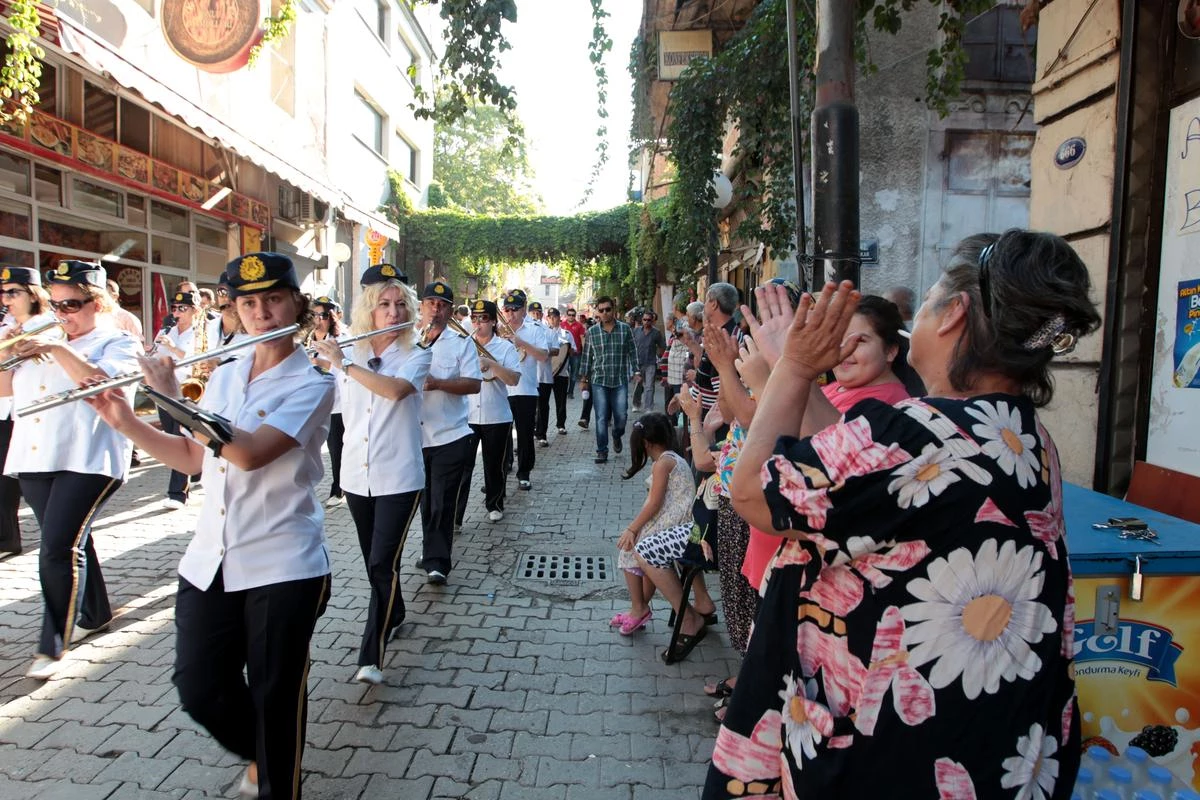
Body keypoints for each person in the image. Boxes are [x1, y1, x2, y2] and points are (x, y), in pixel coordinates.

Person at [705, 230, 1099, 798]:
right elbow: (853, 469)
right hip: (995, 744)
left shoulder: (920, 431)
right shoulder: (1022, 435)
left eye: (934, 290)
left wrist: (793, 368)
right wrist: (781, 359)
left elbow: (750, 493)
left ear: (954, 315)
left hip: (899, 749)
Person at [88, 252, 335, 799]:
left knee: (275, 695)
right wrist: (127, 420)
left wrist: (172, 399)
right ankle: (264, 753)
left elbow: (246, 454)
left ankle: (277, 780)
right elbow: (196, 457)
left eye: (273, 299)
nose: (262, 313)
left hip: (282, 562)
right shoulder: (223, 373)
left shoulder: (313, 384)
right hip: (211, 558)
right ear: (235, 310)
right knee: (199, 688)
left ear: (295, 304)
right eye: (248, 303)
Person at [1, 260, 141, 679]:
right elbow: (5, 391)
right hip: (35, 456)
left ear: (98, 303)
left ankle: (53, 645)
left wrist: (59, 350)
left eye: (73, 305)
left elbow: (107, 386)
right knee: (71, 539)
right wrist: (10, 351)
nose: (62, 314)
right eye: (57, 305)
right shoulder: (43, 336)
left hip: (89, 457)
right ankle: (95, 612)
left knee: (58, 548)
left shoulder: (116, 341)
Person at [312, 271, 429, 686]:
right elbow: (324, 400)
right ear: (370, 309)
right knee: (372, 562)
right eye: (384, 304)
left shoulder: (416, 354)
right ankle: (394, 612)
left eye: (401, 305)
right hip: (356, 479)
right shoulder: (347, 350)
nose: (393, 312)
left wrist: (342, 364)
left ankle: (371, 656)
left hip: (399, 477)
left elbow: (395, 391)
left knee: (383, 563)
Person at [417, 280, 482, 584]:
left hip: (450, 435)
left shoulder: (461, 343)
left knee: (441, 502)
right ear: (422, 306)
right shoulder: (407, 341)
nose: (436, 309)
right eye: (431, 303)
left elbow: (474, 384)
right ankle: (430, 548)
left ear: (451, 311)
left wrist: (438, 383)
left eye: (442, 305)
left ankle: (438, 561)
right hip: (414, 438)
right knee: (425, 500)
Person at [612, 412, 694, 635]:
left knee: (629, 549)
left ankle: (638, 608)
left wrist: (632, 528)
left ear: (646, 443)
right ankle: (638, 609)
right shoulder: (671, 458)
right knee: (639, 546)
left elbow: (654, 504)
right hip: (677, 520)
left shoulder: (663, 464)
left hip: (679, 524)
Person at [0, 267, 55, 558]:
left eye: (13, 292)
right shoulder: (6, 328)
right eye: (3, 292)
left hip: (42, 422)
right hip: (12, 415)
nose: (6, 298)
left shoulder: (50, 326)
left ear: (33, 295)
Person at [456, 299, 521, 525]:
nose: (478, 323)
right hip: (467, 415)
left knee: (494, 465)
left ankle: (494, 504)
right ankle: (456, 515)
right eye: (474, 318)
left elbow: (513, 379)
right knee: (462, 467)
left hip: (497, 415)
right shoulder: (463, 345)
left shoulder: (505, 347)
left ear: (493, 321)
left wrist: (491, 364)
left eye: (483, 319)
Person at [152, 289, 206, 510]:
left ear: (195, 310)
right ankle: (199, 467)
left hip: (187, 392)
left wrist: (174, 348)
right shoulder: (167, 330)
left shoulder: (201, 333)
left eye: (182, 309)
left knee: (180, 438)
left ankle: (177, 494)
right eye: (174, 308)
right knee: (173, 437)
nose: (177, 312)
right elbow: (156, 357)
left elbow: (198, 360)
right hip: (166, 390)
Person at [499, 289, 552, 490]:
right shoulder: (498, 330)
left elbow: (543, 356)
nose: (510, 313)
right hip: (502, 390)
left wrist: (520, 342)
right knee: (501, 436)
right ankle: (501, 474)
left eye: (515, 309)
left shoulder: (534, 329)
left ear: (523, 311)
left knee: (524, 435)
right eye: (507, 309)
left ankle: (524, 473)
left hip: (526, 389)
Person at [577, 296, 637, 464]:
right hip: (599, 381)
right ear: (598, 312)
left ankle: (617, 435)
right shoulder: (592, 332)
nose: (604, 313)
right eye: (601, 310)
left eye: (607, 309)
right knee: (601, 417)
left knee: (621, 416)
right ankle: (602, 450)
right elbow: (587, 357)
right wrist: (584, 379)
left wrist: (637, 370)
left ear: (613, 310)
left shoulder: (625, 329)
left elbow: (632, 351)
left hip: (619, 380)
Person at [309, 296, 346, 508]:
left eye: (323, 315)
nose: (318, 319)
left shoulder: (340, 339)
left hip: (335, 404)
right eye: (315, 315)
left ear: (331, 317)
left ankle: (338, 488)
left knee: (336, 448)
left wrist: (316, 361)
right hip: (313, 402)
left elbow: (333, 366)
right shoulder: (307, 338)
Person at [665, 302, 703, 427]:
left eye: (689, 315)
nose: (687, 317)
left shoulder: (687, 327)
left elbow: (703, 360)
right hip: (687, 380)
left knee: (688, 416)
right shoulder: (693, 332)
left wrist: (697, 374)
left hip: (694, 383)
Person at [528, 301, 560, 447]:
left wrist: (542, 350)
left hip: (544, 375)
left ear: (542, 314)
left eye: (538, 312)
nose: (536, 315)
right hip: (529, 374)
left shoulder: (549, 331)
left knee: (543, 406)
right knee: (529, 407)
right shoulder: (525, 331)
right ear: (528, 314)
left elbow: (556, 350)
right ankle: (529, 434)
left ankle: (542, 434)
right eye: (533, 312)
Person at [542, 307, 574, 436]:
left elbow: (573, 351)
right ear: (547, 318)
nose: (552, 319)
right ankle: (541, 429)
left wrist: (567, 349)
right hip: (546, 372)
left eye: (554, 317)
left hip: (561, 372)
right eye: (550, 317)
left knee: (561, 400)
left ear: (559, 318)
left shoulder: (567, 334)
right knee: (543, 403)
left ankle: (561, 424)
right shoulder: (542, 333)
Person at [631, 310, 665, 413]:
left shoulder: (656, 333)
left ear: (652, 321)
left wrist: (660, 355)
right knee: (638, 385)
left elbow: (662, 346)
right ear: (642, 320)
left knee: (649, 386)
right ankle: (636, 404)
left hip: (650, 363)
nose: (646, 322)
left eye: (649, 320)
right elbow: (631, 345)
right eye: (644, 320)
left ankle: (648, 407)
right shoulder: (636, 331)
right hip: (638, 363)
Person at [105, 279, 144, 345]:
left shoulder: (127, 318)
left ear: (115, 296)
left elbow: (137, 346)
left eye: (104, 295)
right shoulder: (95, 317)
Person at [561, 306, 586, 398]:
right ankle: (563, 391)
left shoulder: (579, 326)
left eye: (573, 315)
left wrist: (584, 351)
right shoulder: (562, 325)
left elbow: (582, 339)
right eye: (569, 315)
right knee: (564, 373)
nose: (571, 316)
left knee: (574, 374)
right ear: (566, 315)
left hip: (576, 354)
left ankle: (570, 392)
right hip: (564, 354)